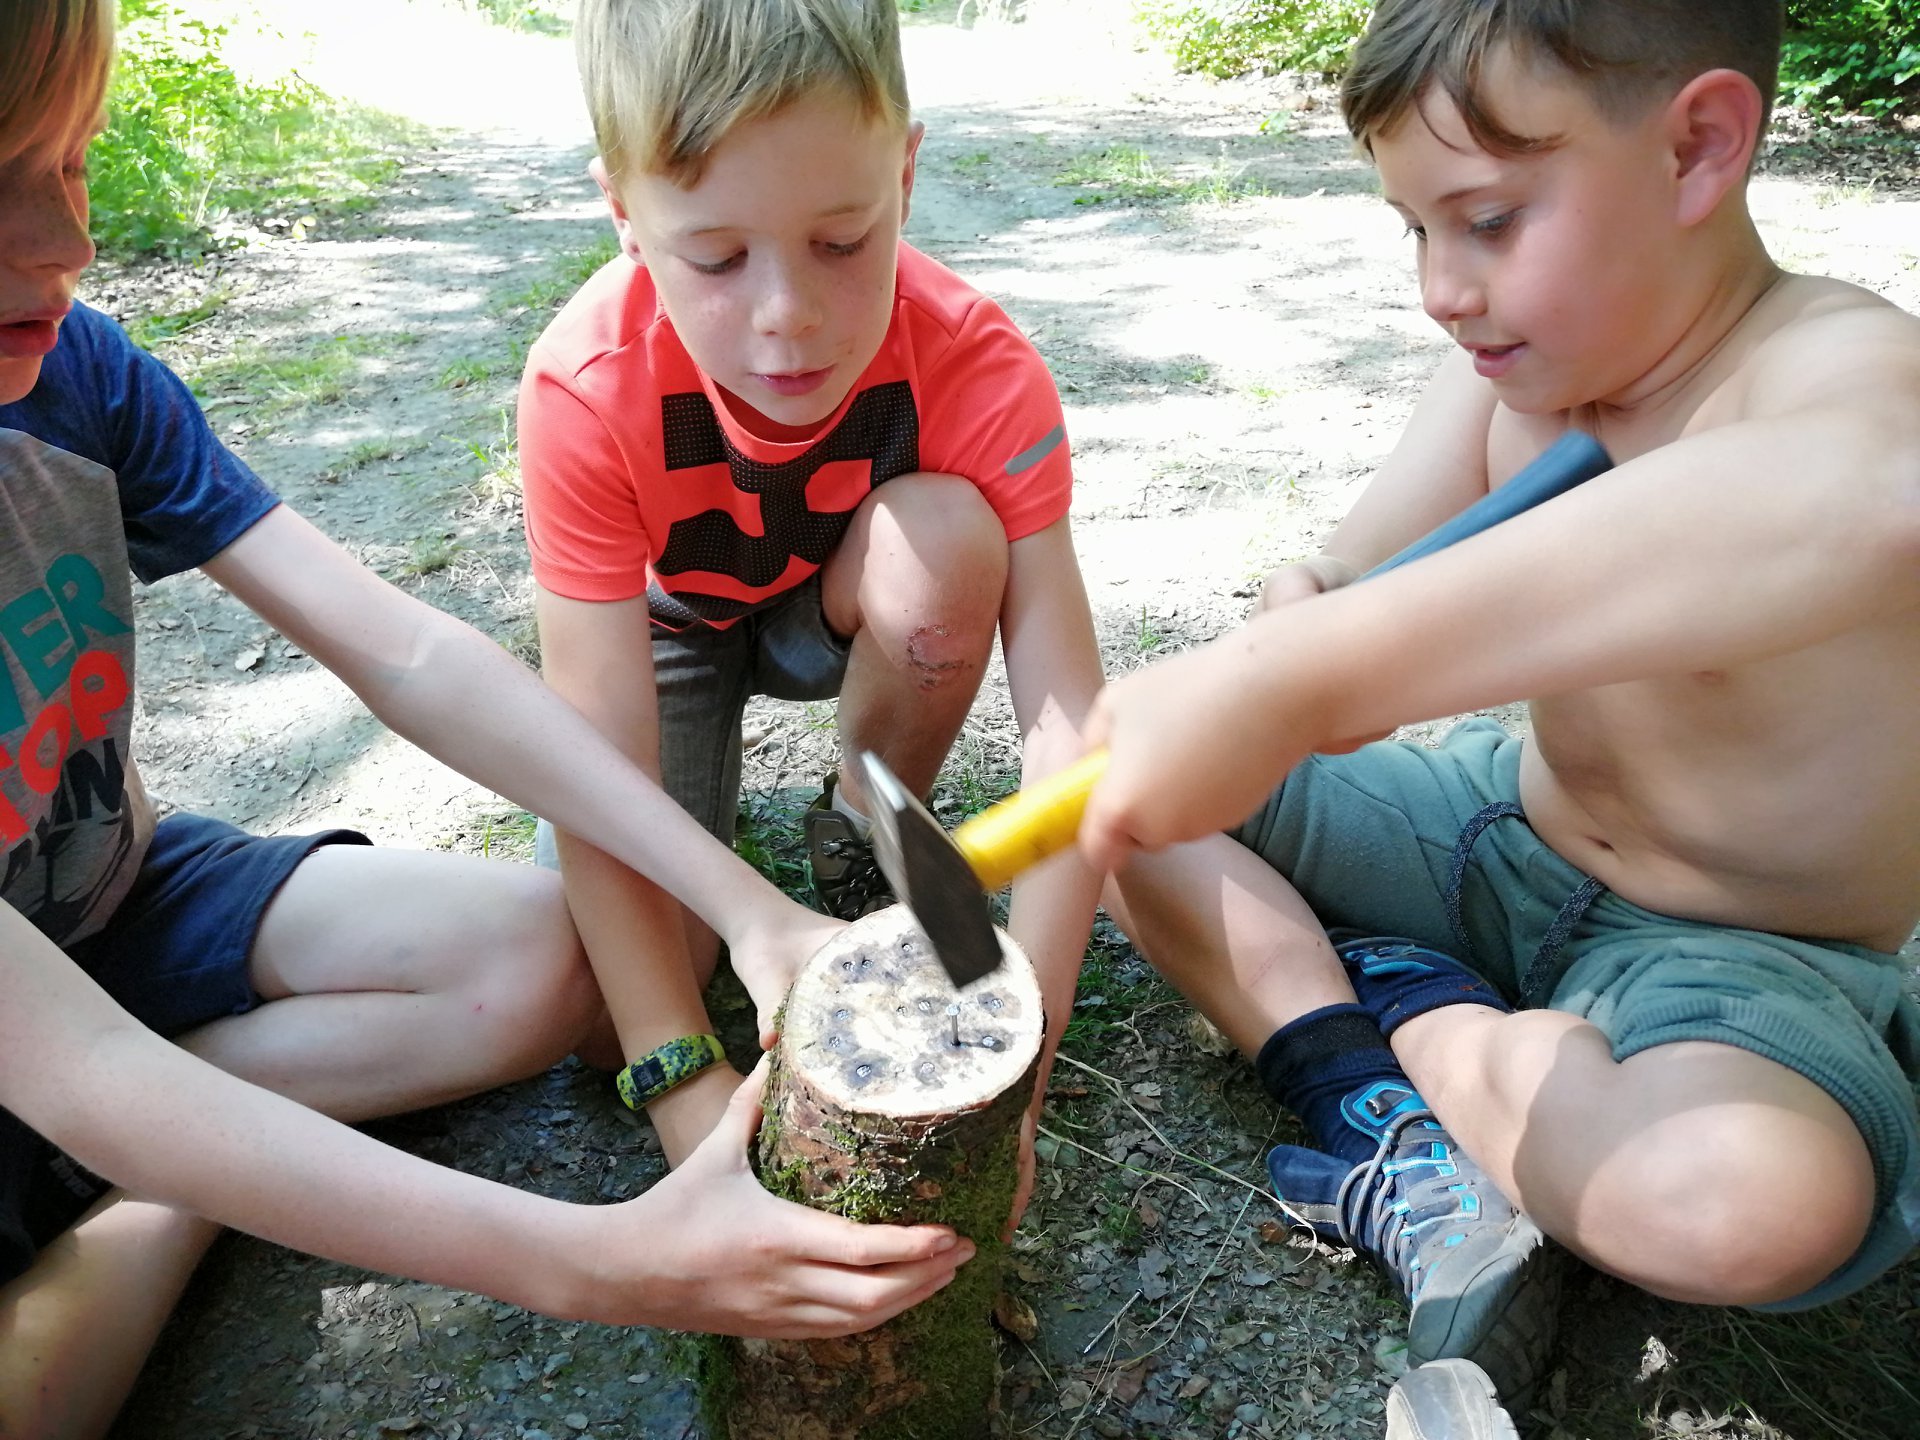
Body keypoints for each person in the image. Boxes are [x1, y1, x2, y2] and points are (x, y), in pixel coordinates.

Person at [0, 5, 974, 1435]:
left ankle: (204, 1135)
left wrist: (743, 906)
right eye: (2, 175)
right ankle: (175, 1176)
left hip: (115, 890)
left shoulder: (76, 371)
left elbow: (404, 651)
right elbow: (69, 1060)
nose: (69, 238)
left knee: (539, 961)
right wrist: (608, 1264)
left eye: (73, 159)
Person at [1076, 0, 1920, 1428]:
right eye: (1416, 230)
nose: (1439, 289)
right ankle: (1363, 1095)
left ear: (1700, 147)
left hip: (1739, 956)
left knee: (1737, 1211)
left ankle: (1427, 1027)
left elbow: (1867, 499)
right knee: (1111, 776)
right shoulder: (1515, 384)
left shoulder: (1839, 373)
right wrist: (1303, 602)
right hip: (1493, 825)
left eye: (1484, 220)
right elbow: (1354, 577)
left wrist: (1307, 676)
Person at [517, 0, 1105, 1178]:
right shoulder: (583, 387)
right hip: (665, 631)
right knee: (603, 998)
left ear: (905, 171)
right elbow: (590, 767)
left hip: (832, 602)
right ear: (626, 216)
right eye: (717, 258)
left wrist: (1021, 1069)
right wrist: (678, 1080)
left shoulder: (978, 365)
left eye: (843, 241)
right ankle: (735, 874)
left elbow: (1070, 735)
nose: (787, 315)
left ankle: (863, 822)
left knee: (946, 539)